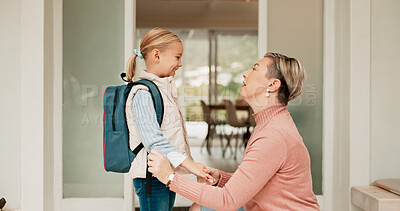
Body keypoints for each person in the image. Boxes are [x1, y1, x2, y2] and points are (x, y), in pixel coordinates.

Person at [147, 52, 320, 211]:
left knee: (199, 208)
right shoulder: (270, 124)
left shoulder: (273, 135)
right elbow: (261, 182)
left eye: (254, 69)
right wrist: (221, 178)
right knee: (199, 207)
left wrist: (169, 177)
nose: (245, 74)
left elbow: (227, 201)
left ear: (273, 84)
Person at [125, 27, 213, 211]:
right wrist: (191, 166)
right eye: (177, 57)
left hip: (165, 173)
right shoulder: (143, 93)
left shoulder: (164, 89)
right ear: (156, 55)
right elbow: (154, 142)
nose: (180, 63)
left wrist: (191, 167)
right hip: (151, 178)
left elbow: (173, 135)